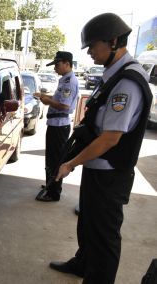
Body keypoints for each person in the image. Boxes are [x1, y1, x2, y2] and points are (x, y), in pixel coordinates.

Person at [49, 13, 152, 283]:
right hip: (97, 166)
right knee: (87, 224)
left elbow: (110, 138)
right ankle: (83, 263)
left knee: (103, 235)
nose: (90, 52)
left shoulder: (127, 83)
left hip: (110, 172)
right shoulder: (114, 76)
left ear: (114, 41)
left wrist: (71, 163)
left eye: (93, 46)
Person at [34, 51, 79, 202]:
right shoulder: (64, 80)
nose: (55, 68)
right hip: (54, 124)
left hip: (60, 126)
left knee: (56, 160)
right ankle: (50, 184)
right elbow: (58, 99)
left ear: (67, 64)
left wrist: (46, 100)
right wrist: (46, 97)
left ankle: (54, 193)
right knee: (51, 158)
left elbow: (64, 106)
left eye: (58, 65)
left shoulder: (70, 82)